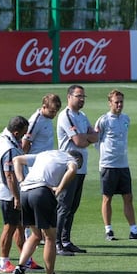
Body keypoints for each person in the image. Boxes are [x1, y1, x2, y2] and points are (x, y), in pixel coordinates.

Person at [11, 150, 83, 274]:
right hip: (41, 192)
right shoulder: (71, 160)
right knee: (50, 237)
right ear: (78, 160)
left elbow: (17, 160)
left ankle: (20, 268)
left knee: (36, 235)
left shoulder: (46, 154)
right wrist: (59, 188)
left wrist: (21, 181)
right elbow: (72, 170)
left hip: (25, 192)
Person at [94, 89, 137, 241]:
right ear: (110, 103)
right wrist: (105, 155)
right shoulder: (103, 120)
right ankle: (108, 230)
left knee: (128, 197)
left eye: (121, 102)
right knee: (107, 198)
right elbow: (96, 140)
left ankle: (134, 230)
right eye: (116, 102)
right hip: (108, 165)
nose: (119, 105)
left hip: (123, 164)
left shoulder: (126, 119)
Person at [56, 84, 98, 256]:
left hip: (81, 168)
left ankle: (66, 240)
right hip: (68, 168)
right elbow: (80, 142)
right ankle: (57, 242)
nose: (81, 99)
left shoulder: (82, 115)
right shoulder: (66, 116)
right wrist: (86, 138)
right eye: (78, 96)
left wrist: (85, 138)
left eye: (83, 97)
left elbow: (95, 136)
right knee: (64, 206)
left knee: (73, 207)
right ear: (69, 97)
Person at [0, 116, 29, 274]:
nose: (24, 136)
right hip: (8, 193)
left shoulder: (6, 138)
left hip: (12, 191)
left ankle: (24, 259)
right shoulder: (9, 147)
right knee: (10, 227)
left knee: (20, 226)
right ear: (15, 132)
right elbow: (9, 175)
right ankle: (3, 262)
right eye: (22, 133)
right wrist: (16, 197)